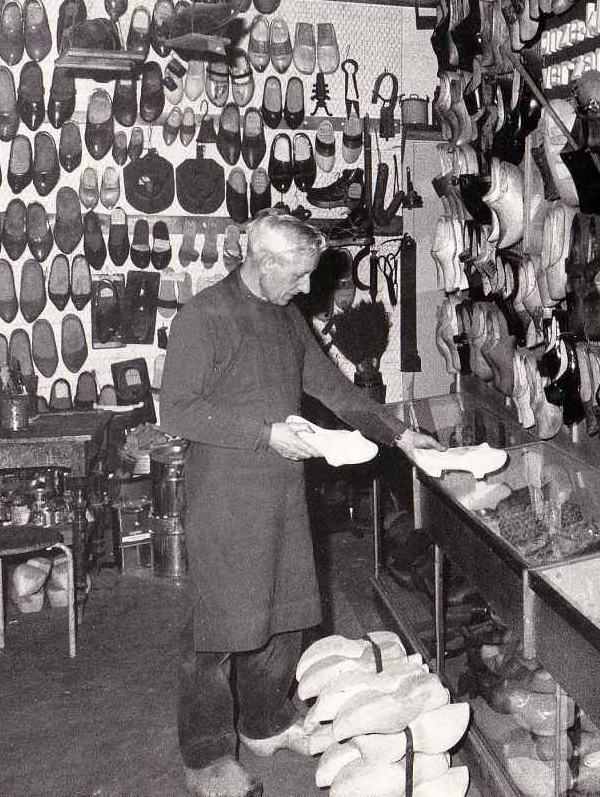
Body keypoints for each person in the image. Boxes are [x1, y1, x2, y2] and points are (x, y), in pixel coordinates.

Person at [160, 209, 438, 797]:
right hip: (227, 497)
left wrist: (399, 432)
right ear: (262, 262)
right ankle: (207, 756)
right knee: (216, 631)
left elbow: (331, 386)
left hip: (284, 493)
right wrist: (266, 433)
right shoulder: (202, 318)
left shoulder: (286, 317)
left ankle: (263, 722)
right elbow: (178, 411)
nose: (310, 288)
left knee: (285, 613)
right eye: (301, 273)